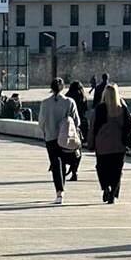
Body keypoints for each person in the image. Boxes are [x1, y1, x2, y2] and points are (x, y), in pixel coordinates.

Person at [87, 83, 131, 204]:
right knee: (117, 170)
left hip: (102, 145)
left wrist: (91, 143)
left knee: (102, 168)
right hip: (119, 145)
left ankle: (105, 187)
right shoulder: (122, 109)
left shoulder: (99, 109)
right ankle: (113, 192)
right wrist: (128, 142)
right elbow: (130, 125)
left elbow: (93, 127)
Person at [38, 77, 80, 205]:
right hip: (65, 138)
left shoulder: (45, 103)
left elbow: (41, 123)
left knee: (56, 164)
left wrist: (46, 131)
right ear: (63, 88)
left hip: (51, 138)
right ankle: (62, 187)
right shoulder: (69, 102)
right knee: (63, 163)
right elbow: (76, 121)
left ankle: (59, 192)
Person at [64, 80, 88, 182]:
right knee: (78, 148)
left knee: (66, 147)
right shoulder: (83, 96)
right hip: (81, 125)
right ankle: (75, 171)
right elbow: (85, 110)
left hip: (69, 125)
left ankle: (66, 167)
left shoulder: (68, 97)